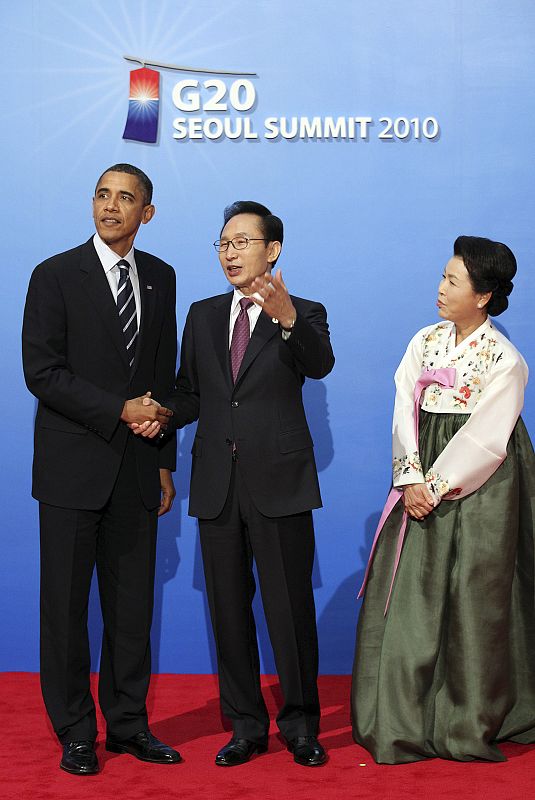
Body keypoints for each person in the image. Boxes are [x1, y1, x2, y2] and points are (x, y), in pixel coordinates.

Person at [133, 200, 334, 767]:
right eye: (223, 243)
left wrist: (288, 318)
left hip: (279, 482)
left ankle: (301, 726)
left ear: (273, 250)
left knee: (289, 610)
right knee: (227, 610)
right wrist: (163, 414)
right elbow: (191, 392)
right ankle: (245, 726)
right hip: (218, 482)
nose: (230, 253)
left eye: (242, 242)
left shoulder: (305, 311)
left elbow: (320, 364)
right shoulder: (202, 315)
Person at [22, 164, 181, 775]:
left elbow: (162, 372)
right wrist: (118, 409)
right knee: (65, 609)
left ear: (147, 213)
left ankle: (129, 725)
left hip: (138, 469)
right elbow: (43, 373)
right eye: (102, 195)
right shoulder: (55, 275)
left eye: (125, 198)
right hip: (71, 469)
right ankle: (75, 731)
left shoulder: (161, 277)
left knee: (132, 607)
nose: (110, 206)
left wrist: (163, 460)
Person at [351, 235, 535, 763]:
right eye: (443, 276)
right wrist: (410, 476)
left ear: (483, 295)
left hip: (483, 486)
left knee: (476, 594)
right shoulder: (424, 340)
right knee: (414, 594)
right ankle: (405, 717)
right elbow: (403, 405)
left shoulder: (505, 359)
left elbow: (487, 438)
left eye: (453, 281)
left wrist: (434, 486)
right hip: (418, 473)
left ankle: (465, 719)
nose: (440, 288)